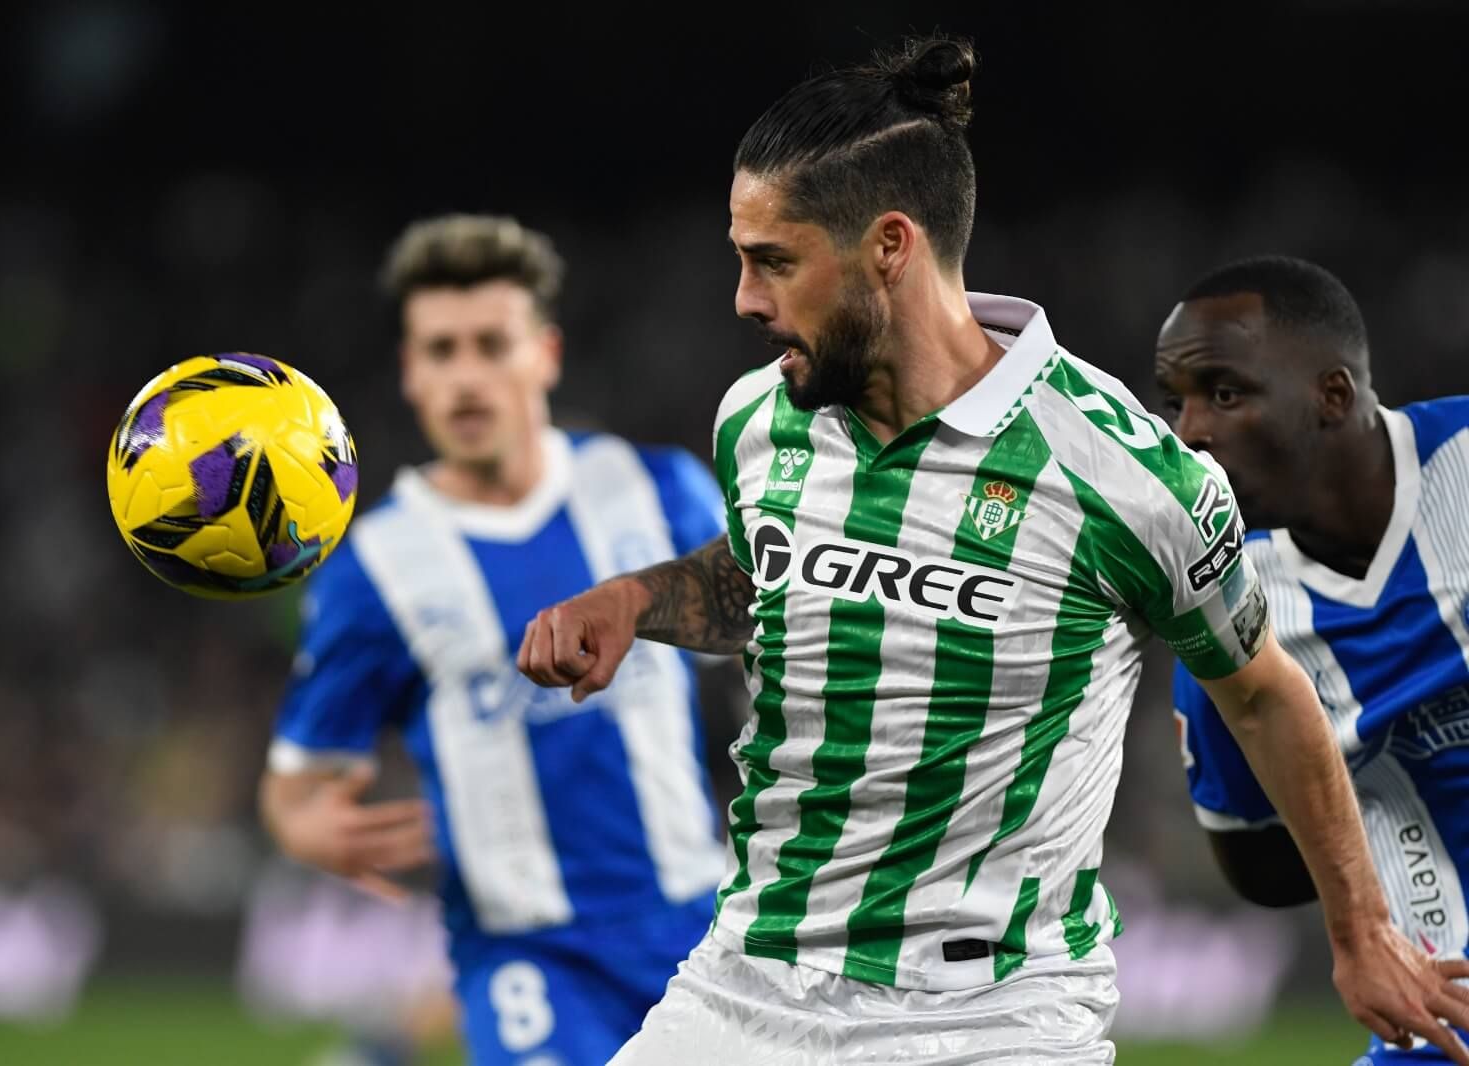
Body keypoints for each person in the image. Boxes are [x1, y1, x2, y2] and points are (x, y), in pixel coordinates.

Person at [516, 33, 1469, 1065]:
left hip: (989, 1018)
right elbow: (766, 580)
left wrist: (1359, 930)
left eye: (773, 261)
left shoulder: (1118, 470)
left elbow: (1261, 691)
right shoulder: (761, 418)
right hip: (747, 982)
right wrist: (632, 601)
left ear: (890, 246)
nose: (746, 297)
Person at [260, 214, 729, 1066]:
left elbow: (770, 650)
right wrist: (308, 830)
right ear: (410, 371)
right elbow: (298, 784)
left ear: (544, 353)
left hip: (706, 930)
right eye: (441, 351)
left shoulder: (657, 492)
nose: (467, 377)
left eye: (491, 344)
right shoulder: (375, 571)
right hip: (528, 958)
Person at [1158, 254, 1469, 1064]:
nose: (1189, 431)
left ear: (1332, 396)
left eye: (1224, 394)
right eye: (1176, 403)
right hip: (1440, 1024)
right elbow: (1256, 859)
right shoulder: (1224, 606)